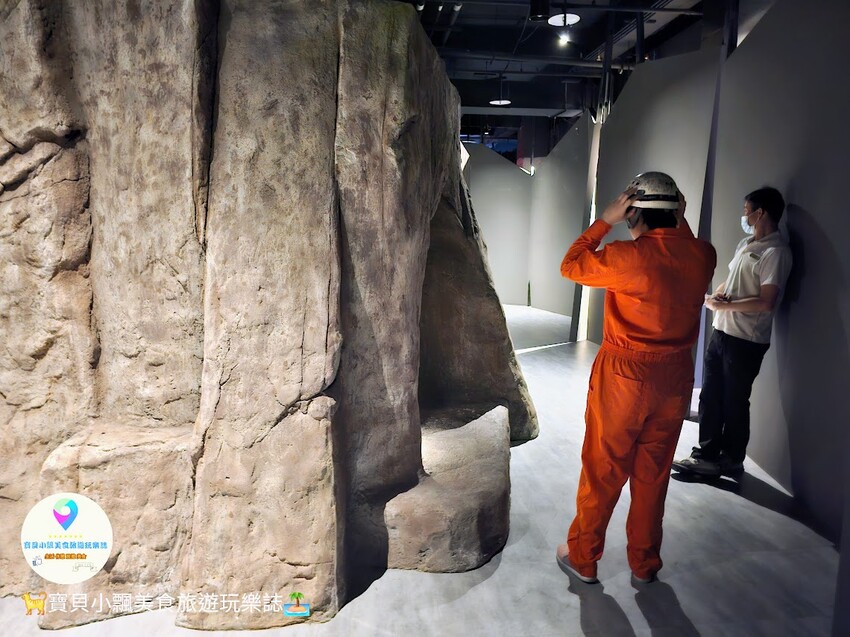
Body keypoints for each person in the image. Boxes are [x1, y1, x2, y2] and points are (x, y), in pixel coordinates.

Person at [555, 172, 716, 585]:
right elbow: (688, 246)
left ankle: (584, 558)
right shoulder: (703, 255)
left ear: (632, 212)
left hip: (625, 376)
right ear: (678, 209)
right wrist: (678, 216)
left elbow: (571, 265)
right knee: (653, 474)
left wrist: (603, 220)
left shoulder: (626, 256)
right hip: (675, 377)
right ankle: (644, 563)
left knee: (603, 469)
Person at [672, 186, 792, 478]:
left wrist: (723, 307)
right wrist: (715, 297)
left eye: (746, 210)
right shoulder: (745, 244)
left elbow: (767, 302)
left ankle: (732, 459)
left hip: (746, 341)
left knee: (735, 401)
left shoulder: (775, 252)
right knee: (710, 397)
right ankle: (705, 455)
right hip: (722, 333)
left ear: (760, 212)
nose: (744, 215)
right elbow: (729, 281)